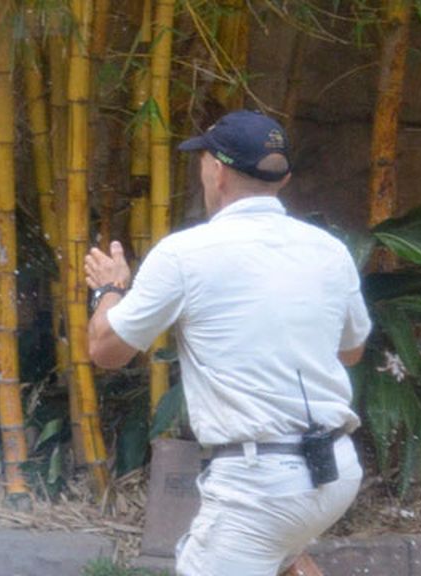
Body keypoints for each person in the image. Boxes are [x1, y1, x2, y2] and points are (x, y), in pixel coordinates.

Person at [84, 110, 371, 576]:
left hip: (259, 485)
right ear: (282, 178)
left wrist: (109, 290)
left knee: (262, 536)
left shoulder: (184, 254)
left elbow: (106, 351)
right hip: (334, 470)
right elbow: (352, 351)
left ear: (216, 171)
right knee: (284, 551)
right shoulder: (330, 251)